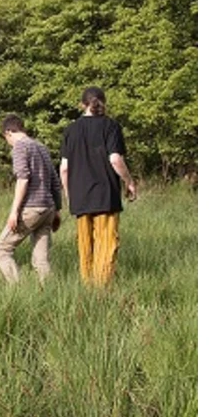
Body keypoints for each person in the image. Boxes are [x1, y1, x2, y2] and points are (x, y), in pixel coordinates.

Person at [59, 86, 137, 287]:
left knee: (85, 246)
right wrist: (129, 181)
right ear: (104, 102)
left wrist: (69, 195)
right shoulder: (111, 126)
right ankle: (103, 289)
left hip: (80, 198)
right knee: (106, 244)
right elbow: (115, 159)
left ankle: (88, 287)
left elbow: (64, 169)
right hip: (106, 196)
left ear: (82, 105)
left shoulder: (71, 130)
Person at [0, 114, 62, 285]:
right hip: (48, 209)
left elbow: (23, 179)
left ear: (8, 132)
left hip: (31, 208)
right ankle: (49, 293)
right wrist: (58, 210)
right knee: (41, 260)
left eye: (5, 138)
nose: (7, 142)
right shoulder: (41, 147)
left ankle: (17, 288)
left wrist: (14, 212)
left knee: (1, 250)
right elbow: (55, 181)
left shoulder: (20, 147)